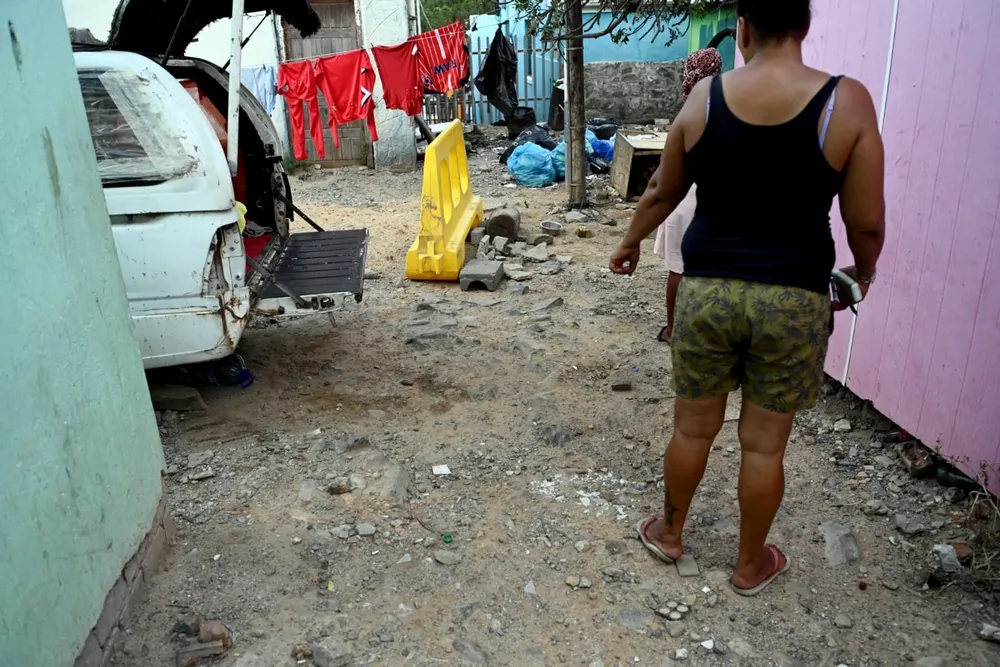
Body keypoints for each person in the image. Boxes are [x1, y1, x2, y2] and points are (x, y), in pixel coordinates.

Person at [610, 0, 885, 596]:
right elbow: (865, 221)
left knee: (692, 430)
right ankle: (750, 563)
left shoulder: (704, 98)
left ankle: (670, 533)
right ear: (804, 24)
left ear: (742, 28)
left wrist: (630, 241)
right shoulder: (846, 102)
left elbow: (661, 188)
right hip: (794, 299)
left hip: (707, 292)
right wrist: (863, 272)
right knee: (764, 446)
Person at [651, 47, 724, 343]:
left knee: (678, 269)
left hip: (684, 201)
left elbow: (663, 177)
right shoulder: (731, 109)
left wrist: (632, 238)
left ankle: (673, 330)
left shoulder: (687, 114)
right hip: (714, 203)